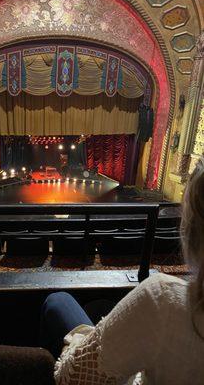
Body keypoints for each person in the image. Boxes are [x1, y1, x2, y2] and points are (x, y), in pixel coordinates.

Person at [40, 156, 204, 384]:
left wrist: (85, 339)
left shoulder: (164, 298)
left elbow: (74, 376)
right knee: (97, 307)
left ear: (192, 231)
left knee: (59, 301)